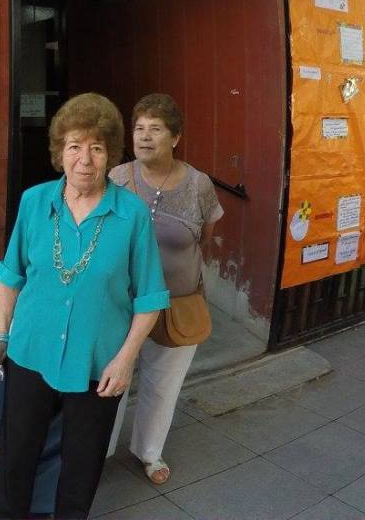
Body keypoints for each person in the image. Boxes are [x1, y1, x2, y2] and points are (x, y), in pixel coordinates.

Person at [0, 92, 169, 519]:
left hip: (98, 360)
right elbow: (11, 275)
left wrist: (125, 360)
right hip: (30, 351)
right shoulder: (34, 202)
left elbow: (150, 298)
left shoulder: (132, 214)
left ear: (110, 155)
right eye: (74, 146)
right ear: (60, 152)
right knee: (15, 458)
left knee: (82, 466)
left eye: (97, 148)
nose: (85, 159)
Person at [109, 93, 224, 486]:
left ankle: (149, 451)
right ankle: (98, 449)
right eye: (139, 128)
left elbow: (204, 236)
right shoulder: (117, 178)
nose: (144, 136)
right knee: (110, 379)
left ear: (175, 137)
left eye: (155, 129)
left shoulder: (198, 185)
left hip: (178, 302)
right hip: (121, 302)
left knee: (163, 384)